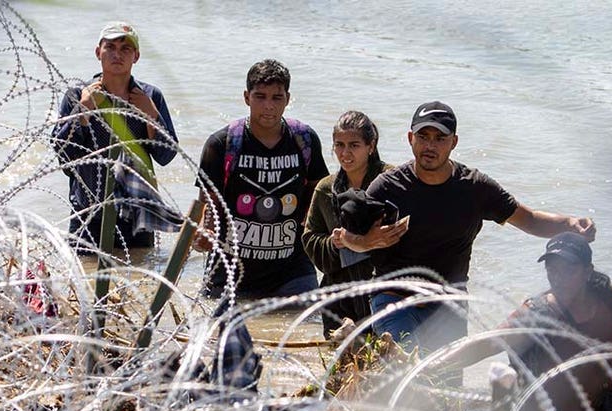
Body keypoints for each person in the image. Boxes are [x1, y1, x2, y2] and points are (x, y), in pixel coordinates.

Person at [332, 101, 595, 352]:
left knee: (447, 386)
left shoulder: (474, 187)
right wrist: (368, 241)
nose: (430, 146)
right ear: (410, 138)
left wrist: (570, 224)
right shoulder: (387, 186)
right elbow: (349, 238)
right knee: (407, 367)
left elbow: (529, 219)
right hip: (394, 297)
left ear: (454, 142)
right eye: (423, 137)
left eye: (440, 138)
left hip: (448, 301)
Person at [452, 233, 612, 411]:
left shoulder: (606, 298)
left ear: (587, 271)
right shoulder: (537, 314)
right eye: (552, 269)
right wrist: (429, 363)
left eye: (568, 270)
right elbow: (489, 343)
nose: (559, 277)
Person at [192, 59, 328, 300]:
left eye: (277, 98)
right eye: (260, 96)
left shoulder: (304, 140)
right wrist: (204, 233)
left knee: (303, 328)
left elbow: (319, 194)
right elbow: (208, 204)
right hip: (231, 271)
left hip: (292, 271)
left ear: (288, 98)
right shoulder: (221, 144)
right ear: (246, 97)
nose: (268, 106)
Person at [51, 22, 180, 253]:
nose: (117, 54)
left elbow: (166, 155)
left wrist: (150, 114)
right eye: (110, 47)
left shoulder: (150, 96)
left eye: (125, 49)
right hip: (88, 210)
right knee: (87, 280)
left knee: (138, 279)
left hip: (137, 214)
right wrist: (84, 110)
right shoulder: (77, 95)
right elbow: (63, 155)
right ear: (98, 52)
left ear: (136, 56)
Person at [301, 111, 394, 337]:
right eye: (339, 145)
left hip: (384, 292)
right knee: (341, 369)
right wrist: (335, 244)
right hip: (338, 297)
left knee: (386, 365)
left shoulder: (391, 180)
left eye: (354, 145)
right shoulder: (326, 189)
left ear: (370, 146)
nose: (345, 153)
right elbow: (310, 238)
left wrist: (362, 242)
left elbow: (404, 233)